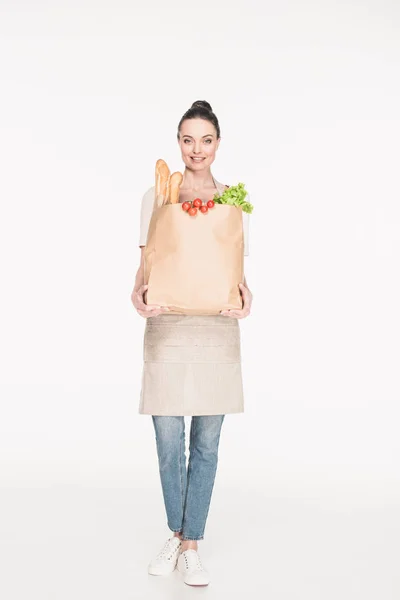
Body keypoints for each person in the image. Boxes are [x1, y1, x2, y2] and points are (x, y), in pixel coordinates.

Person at [130, 100, 253, 586]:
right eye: (187, 139)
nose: (196, 149)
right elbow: (145, 264)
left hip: (217, 327)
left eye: (205, 140)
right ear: (177, 143)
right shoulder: (155, 196)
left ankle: (190, 543)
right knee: (167, 439)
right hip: (168, 322)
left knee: (206, 441)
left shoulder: (236, 198)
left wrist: (246, 298)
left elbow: (239, 269)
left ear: (218, 144)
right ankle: (179, 532)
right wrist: (137, 293)